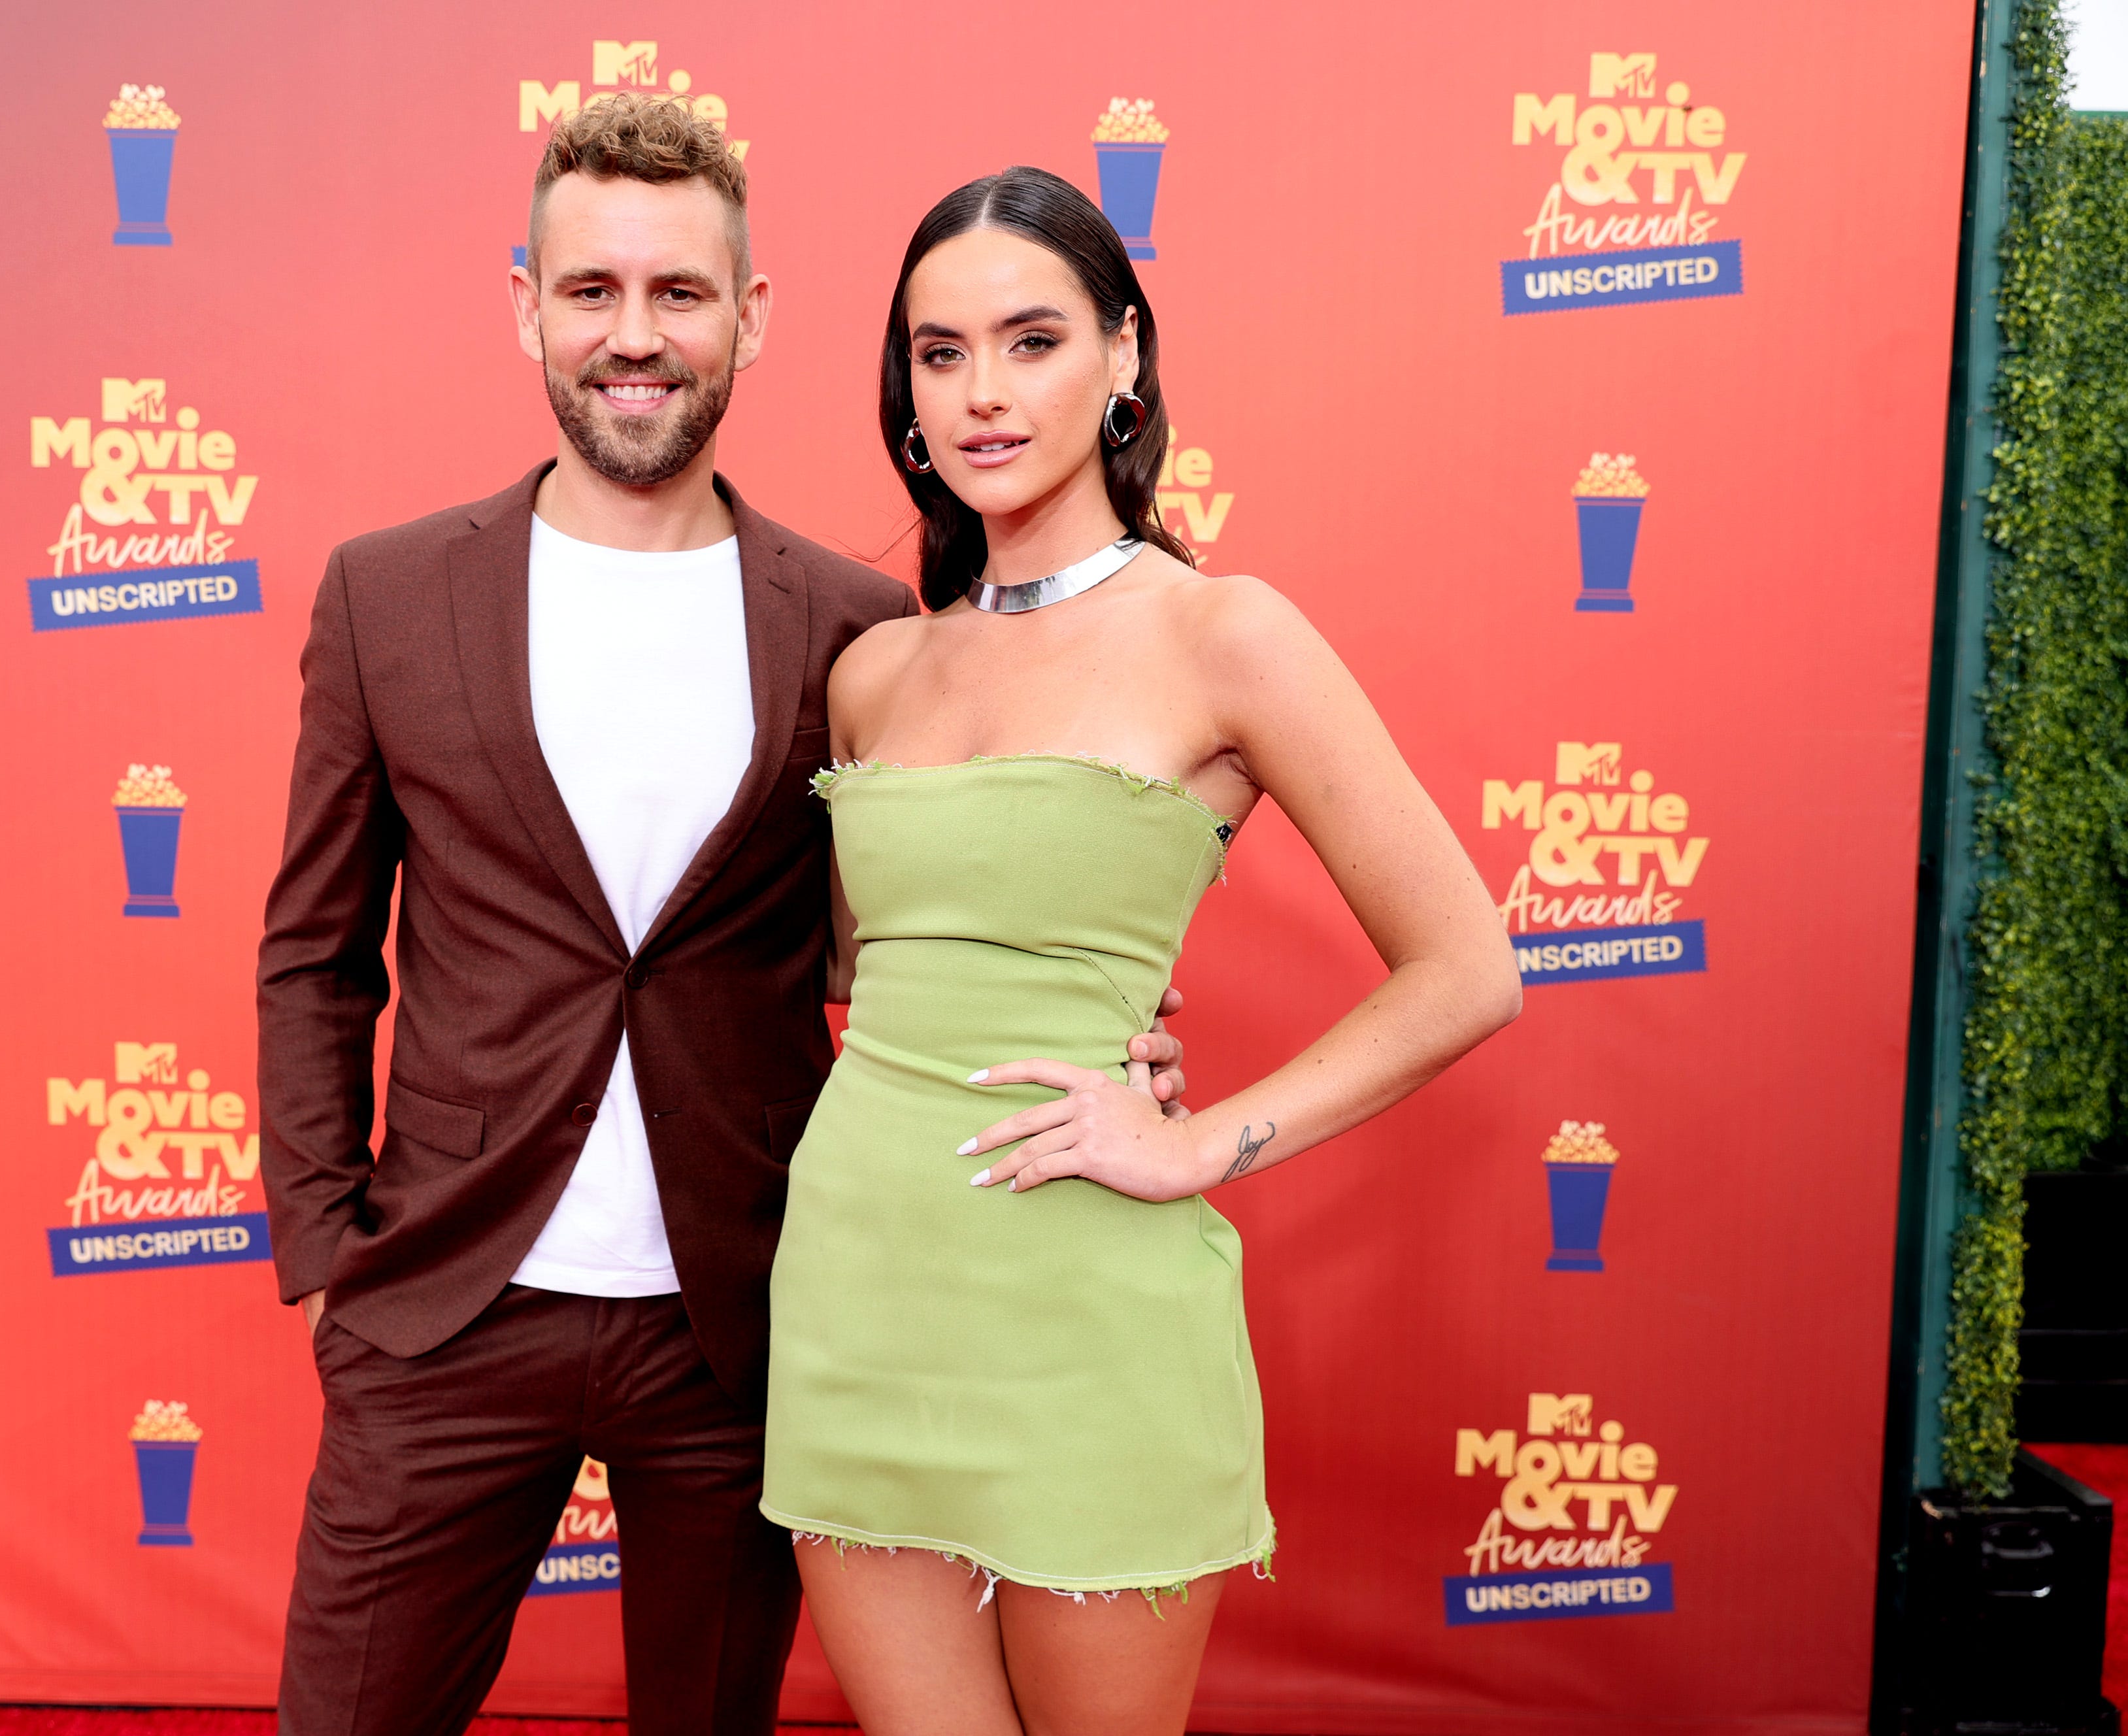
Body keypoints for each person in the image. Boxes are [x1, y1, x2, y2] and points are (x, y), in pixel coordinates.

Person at [255, 104, 1193, 1736]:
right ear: (525, 304)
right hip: (448, 1304)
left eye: (682, 294)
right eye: (592, 289)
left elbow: (897, 932)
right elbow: (313, 950)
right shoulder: (385, 595)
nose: (635, 336)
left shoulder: (859, 624)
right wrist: (329, 1252)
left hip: (753, 1312)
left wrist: (1083, 1037)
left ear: (751, 318)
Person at [759, 166, 1524, 1736]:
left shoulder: (1223, 632)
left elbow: (1469, 965)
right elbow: (865, 962)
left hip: (1089, 1302)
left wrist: (1193, 1141)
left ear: (1123, 352)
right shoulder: (877, 670)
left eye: (1030, 340)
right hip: (855, 1291)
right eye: (939, 350)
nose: (981, 393)